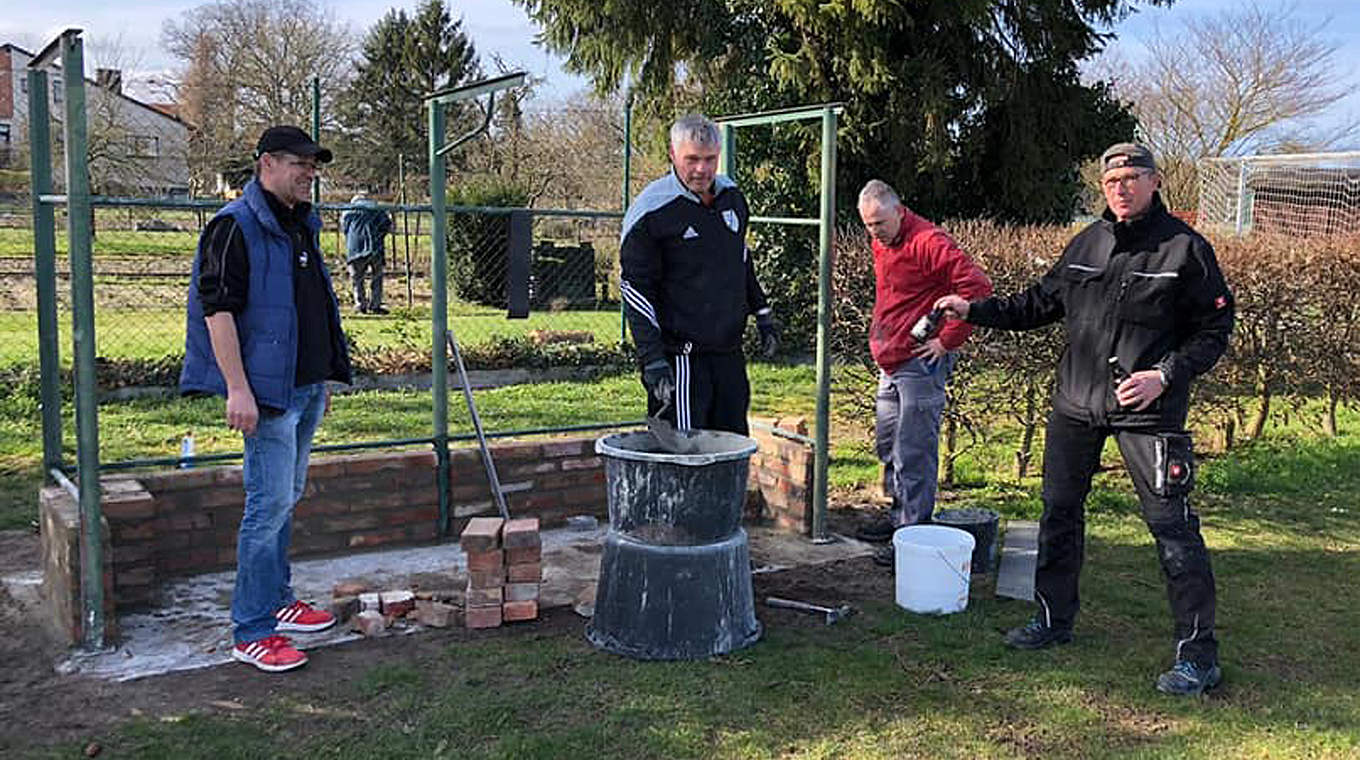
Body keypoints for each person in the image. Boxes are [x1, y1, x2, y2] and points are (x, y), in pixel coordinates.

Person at [934, 143, 1234, 696]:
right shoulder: (1087, 243)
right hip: (1076, 405)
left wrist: (1164, 375)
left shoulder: (1185, 250)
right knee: (1059, 514)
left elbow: (1214, 331)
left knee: (1172, 528)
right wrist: (972, 309)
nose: (1121, 187)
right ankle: (1052, 620)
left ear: (1155, 180)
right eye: (1112, 179)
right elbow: (1037, 305)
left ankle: (1198, 655)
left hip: (1148, 413)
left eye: (1132, 176)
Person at [180, 125, 353, 673]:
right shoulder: (233, 228)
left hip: (305, 387)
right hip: (266, 394)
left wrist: (323, 371)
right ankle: (252, 628)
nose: (309, 174)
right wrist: (236, 387)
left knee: (286, 496)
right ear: (267, 164)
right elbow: (218, 312)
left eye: (313, 165)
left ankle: (278, 602)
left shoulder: (300, 224)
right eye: (299, 164)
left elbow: (307, 305)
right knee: (266, 505)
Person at [855, 181, 992, 565]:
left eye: (880, 223)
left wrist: (948, 341)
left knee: (913, 450)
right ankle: (899, 516)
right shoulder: (884, 241)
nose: (875, 232)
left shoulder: (930, 242)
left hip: (920, 362)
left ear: (900, 211)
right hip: (892, 359)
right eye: (868, 225)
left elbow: (978, 288)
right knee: (888, 444)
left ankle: (911, 535)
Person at [619, 114, 777, 436]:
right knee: (686, 455)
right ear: (672, 155)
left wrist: (762, 313)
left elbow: (740, 259)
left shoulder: (732, 197)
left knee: (732, 446)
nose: (702, 169)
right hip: (681, 360)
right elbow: (635, 288)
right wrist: (652, 359)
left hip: (729, 354)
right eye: (692, 159)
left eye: (709, 160)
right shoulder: (651, 210)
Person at [341, 191, 394, 314]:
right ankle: (375, 305)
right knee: (377, 277)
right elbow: (386, 225)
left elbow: (344, 228)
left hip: (355, 247)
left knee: (357, 278)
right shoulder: (376, 208)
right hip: (375, 246)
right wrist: (379, 236)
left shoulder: (348, 211)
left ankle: (360, 305)